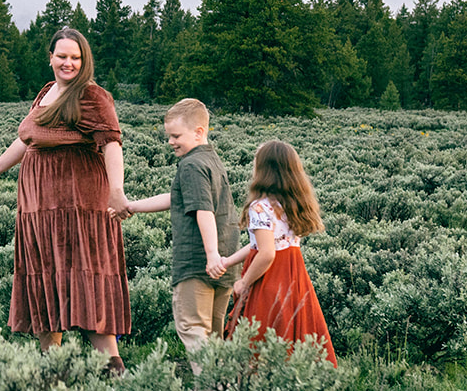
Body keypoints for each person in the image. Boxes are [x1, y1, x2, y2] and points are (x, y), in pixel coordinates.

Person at [0, 28, 130, 374]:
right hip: (39, 209)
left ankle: (114, 370)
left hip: (79, 206)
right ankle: (53, 373)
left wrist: (116, 191)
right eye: (62, 56)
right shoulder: (46, 93)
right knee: (47, 279)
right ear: (50, 58)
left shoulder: (93, 96)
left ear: (84, 60)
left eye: (75, 57)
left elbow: (112, 144)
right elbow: (27, 140)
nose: (68, 63)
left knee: (88, 277)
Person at [123, 99, 239, 371]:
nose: (171, 142)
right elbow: (177, 198)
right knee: (213, 335)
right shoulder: (211, 160)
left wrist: (211, 255)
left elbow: (203, 210)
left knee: (193, 329)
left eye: (176, 136)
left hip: (198, 264)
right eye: (169, 136)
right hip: (224, 264)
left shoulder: (191, 165)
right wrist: (133, 207)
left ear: (198, 132)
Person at [210, 139, 337, 366]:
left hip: (269, 278)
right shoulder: (292, 204)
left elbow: (267, 253)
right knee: (292, 334)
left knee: (262, 336)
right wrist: (229, 261)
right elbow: (263, 244)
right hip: (294, 277)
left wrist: (244, 283)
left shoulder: (260, 207)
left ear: (264, 170)